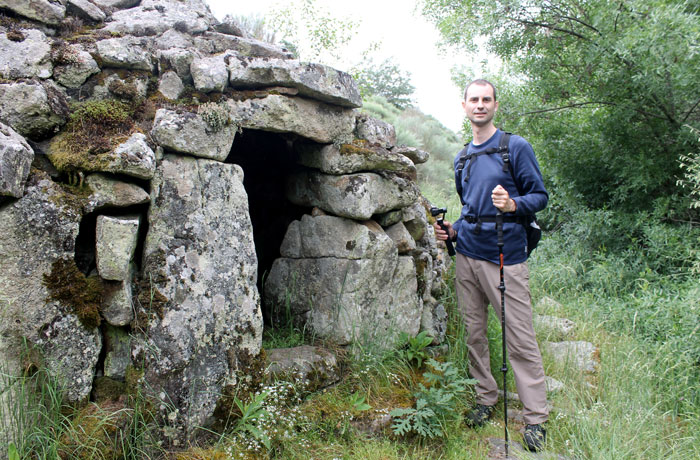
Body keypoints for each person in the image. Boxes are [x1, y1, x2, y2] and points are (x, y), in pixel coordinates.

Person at [433, 79, 549, 452]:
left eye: (486, 99)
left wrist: (514, 205)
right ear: (464, 106)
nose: (480, 105)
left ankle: (535, 418)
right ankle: (486, 398)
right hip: (467, 254)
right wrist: (452, 233)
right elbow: (470, 209)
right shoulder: (463, 156)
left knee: (519, 336)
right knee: (475, 333)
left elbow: (540, 196)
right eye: (474, 100)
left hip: (505, 257)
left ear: (495, 105)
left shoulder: (514, 147)